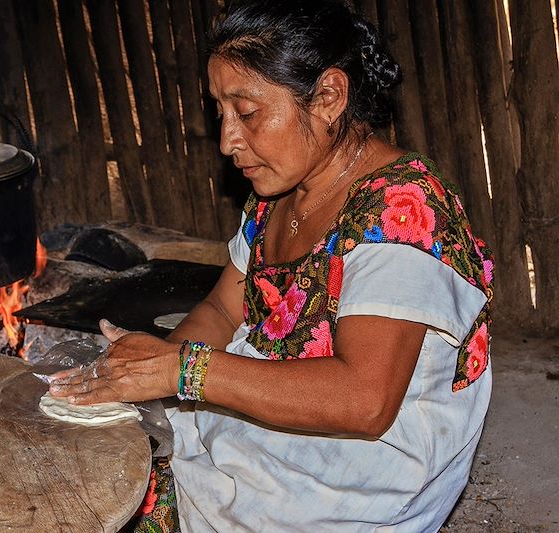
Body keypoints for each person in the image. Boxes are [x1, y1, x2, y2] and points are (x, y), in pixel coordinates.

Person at [49, 1, 494, 531]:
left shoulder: (403, 214)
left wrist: (183, 371)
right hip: (285, 416)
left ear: (328, 96)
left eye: (248, 111)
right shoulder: (280, 191)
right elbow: (221, 307)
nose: (227, 141)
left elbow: (365, 400)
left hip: (361, 471)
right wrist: (156, 368)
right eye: (221, 112)